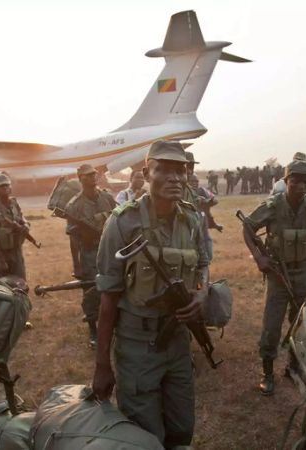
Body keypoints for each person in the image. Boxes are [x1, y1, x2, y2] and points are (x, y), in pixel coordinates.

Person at [92, 141, 209, 447]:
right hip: (137, 346)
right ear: (146, 172)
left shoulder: (192, 219)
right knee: (145, 437)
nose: (174, 178)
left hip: (178, 343)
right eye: (164, 170)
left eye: (180, 171)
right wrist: (102, 364)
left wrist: (202, 293)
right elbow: (107, 299)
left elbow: (204, 265)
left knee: (182, 429)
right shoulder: (122, 222)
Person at [241, 159, 306, 396]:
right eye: (295, 181)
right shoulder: (273, 205)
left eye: (305, 181)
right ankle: (267, 371)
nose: (300, 186)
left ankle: (293, 366)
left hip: (303, 271)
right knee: (272, 324)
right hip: (278, 274)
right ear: (286, 181)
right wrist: (259, 258)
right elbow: (248, 228)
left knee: (300, 321)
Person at [63, 164, 117, 347]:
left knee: (115, 286)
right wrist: (76, 265)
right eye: (87, 175)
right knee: (91, 291)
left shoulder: (107, 197)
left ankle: (115, 324)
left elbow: (118, 221)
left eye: (94, 174)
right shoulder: (74, 205)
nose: (93, 177)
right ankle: (93, 329)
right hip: (89, 253)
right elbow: (73, 238)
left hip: (110, 251)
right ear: (80, 178)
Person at [0, 174, 28, 279]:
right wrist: (1, 259)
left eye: (7, 185)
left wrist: (25, 224)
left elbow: (21, 218)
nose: (5, 188)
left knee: (21, 281)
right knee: (1, 284)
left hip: (15, 250)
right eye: (2, 186)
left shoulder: (14, 203)